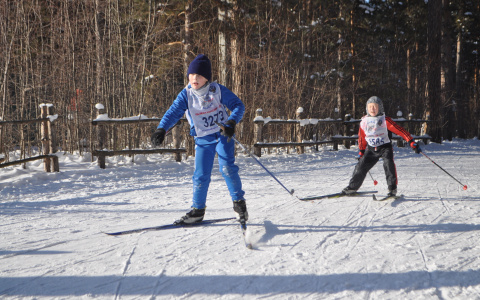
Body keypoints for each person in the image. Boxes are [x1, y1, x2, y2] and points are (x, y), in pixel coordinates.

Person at [151, 54, 247, 224]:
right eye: (191, 75)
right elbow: (173, 112)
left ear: (206, 78)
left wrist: (232, 121)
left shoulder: (217, 90)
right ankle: (198, 210)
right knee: (201, 175)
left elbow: (239, 105)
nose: (194, 78)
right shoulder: (186, 94)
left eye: (199, 75)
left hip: (223, 134)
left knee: (227, 169)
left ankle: (239, 204)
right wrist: (161, 129)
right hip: (203, 137)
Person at [342, 96, 421, 196]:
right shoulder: (364, 122)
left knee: (388, 164)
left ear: (380, 108)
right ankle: (352, 187)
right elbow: (361, 137)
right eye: (370, 106)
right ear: (367, 108)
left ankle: (392, 188)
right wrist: (361, 151)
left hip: (385, 147)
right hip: (371, 149)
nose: (372, 109)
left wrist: (410, 141)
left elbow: (399, 130)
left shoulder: (385, 120)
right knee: (360, 167)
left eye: (375, 106)